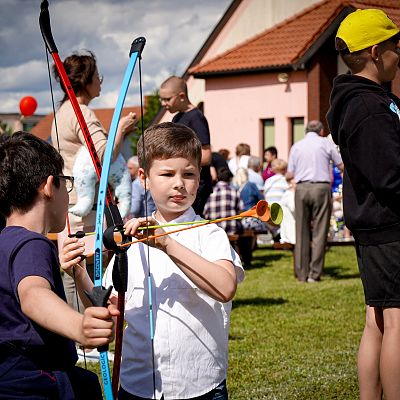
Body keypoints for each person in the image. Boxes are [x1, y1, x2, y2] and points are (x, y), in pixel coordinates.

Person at [63, 122, 244, 399]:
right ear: (144, 179)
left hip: (199, 384)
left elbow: (225, 287)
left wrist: (167, 244)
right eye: (168, 173)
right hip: (138, 384)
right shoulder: (132, 241)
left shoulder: (210, 234)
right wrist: (79, 273)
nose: (179, 183)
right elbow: (111, 307)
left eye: (189, 174)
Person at [0, 132, 118, 399]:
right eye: (67, 183)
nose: (69, 193)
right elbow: (33, 294)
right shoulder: (32, 243)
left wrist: (76, 272)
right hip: (35, 381)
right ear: (49, 186)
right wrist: (80, 327)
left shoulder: (6, 240)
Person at [326, 9, 400, 399]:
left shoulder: (368, 101)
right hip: (388, 228)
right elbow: (390, 177)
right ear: (375, 51)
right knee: (396, 322)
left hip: (377, 227)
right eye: (394, 45)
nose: (398, 52)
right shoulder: (368, 107)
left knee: (379, 320)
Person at [51, 51, 137, 315]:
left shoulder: (62, 112)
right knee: (82, 268)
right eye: (97, 76)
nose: (100, 82)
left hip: (71, 202)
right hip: (83, 208)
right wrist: (121, 129)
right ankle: (84, 334)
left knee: (76, 267)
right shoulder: (81, 112)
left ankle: (80, 334)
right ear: (86, 79)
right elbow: (103, 155)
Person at [286, 120, 343, 282]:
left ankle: (301, 274)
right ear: (321, 131)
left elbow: (290, 174)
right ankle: (314, 273)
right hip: (321, 187)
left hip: (302, 188)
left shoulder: (296, 146)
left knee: (301, 231)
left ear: (305, 131)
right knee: (320, 231)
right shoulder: (325, 143)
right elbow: (340, 165)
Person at [159, 76, 213, 216]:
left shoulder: (196, 118)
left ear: (181, 96)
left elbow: (206, 156)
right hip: (180, 182)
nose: (163, 103)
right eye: (161, 99)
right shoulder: (176, 118)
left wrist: (180, 165)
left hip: (195, 185)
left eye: (167, 99)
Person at [204, 166, 242, 235]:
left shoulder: (211, 192)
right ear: (230, 179)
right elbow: (241, 210)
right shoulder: (234, 191)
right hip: (231, 230)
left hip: (213, 231)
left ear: (218, 178)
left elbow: (205, 213)